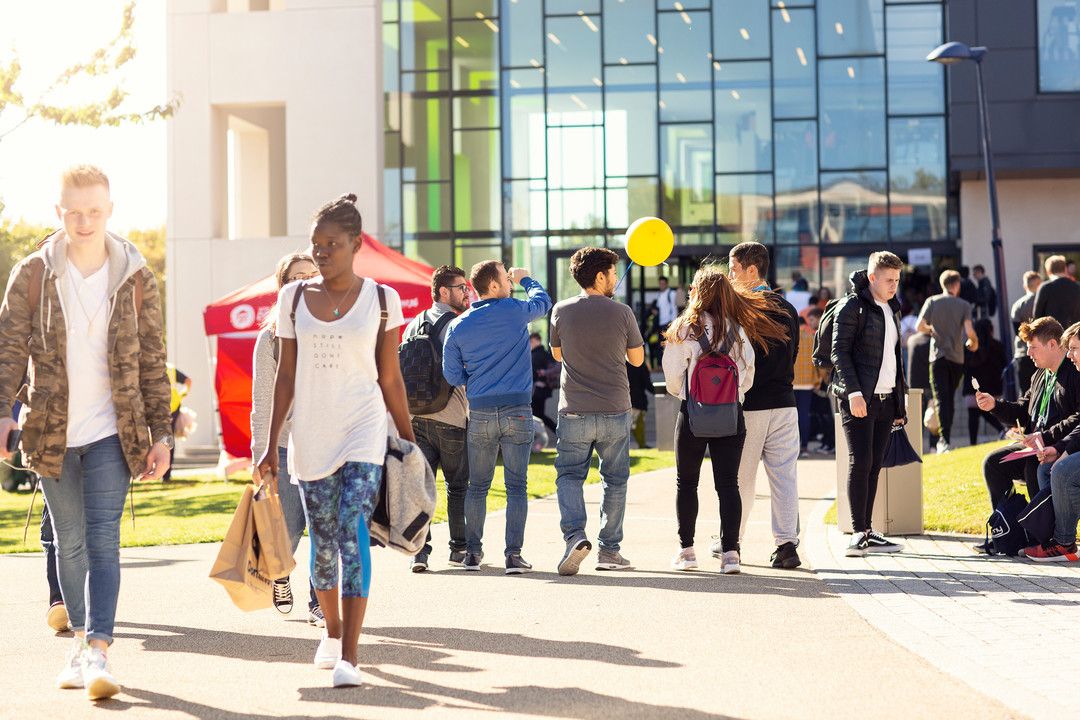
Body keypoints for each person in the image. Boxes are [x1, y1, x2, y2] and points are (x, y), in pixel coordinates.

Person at [0, 165, 172, 700]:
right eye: (73, 211)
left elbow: (152, 360)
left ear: (110, 210)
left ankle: (98, 648)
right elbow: (8, 351)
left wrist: (161, 434)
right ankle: (79, 641)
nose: (83, 220)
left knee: (102, 539)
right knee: (68, 542)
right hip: (49, 432)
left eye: (94, 211)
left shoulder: (138, 278)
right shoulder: (33, 273)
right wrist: (3, 411)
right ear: (59, 212)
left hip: (112, 433)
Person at [255, 193, 414, 688]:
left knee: (352, 529)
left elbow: (390, 377)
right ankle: (329, 632)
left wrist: (408, 441)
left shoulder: (383, 300)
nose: (322, 253)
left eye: (332, 244)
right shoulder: (293, 299)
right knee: (324, 543)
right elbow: (285, 377)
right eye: (315, 244)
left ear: (355, 244)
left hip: (363, 429)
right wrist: (268, 446)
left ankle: (350, 653)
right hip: (311, 434)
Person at [662, 264, 788, 573]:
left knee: (686, 482)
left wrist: (690, 396)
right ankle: (731, 554)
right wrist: (730, 397)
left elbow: (672, 377)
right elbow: (748, 376)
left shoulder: (684, 328)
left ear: (699, 292)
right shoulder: (739, 331)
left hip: (693, 414)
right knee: (728, 484)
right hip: (731, 415)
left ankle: (687, 552)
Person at [442, 260, 552, 574]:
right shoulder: (515, 310)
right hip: (517, 410)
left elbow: (451, 374)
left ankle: (473, 554)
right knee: (516, 486)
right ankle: (513, 556)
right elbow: (543, 303)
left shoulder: (459, 324)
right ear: (493, 285)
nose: (510, 282)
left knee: (478, 486)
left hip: (479, 411)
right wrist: (528, 278)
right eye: (506, 278)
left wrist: (474, 379)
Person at [549, 248, 644, 576]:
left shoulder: (560, 310)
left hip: (573, 410)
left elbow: (557, 355)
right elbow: (637, 360)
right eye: (613, 274)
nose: (616, 279)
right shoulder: (623, 313)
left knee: (570, 476)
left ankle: (575, 536)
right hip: (615, 409)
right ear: (600, 277)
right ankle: (609, 550)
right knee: (615, 480)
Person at [249, 252, 324, 624]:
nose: (307, 280)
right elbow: (261, 401)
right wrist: (259, 456)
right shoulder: (271, 337)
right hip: (285, 445)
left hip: (327, 443)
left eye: (313, 274)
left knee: (324, 527)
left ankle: (319, 601)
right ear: (284, 286)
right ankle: (280, 573)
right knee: (291, 526)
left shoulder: (333, 326)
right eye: (298, 276)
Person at [726, 242, 802, 570]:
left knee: (741, 478)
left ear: (751, 270)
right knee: (784, 477)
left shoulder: (741, 309)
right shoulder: (788, 309)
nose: (730, 277)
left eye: (733, 270)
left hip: (751, 405)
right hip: (786, 403)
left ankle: (733, 542)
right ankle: (787, 545)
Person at [832, 252, 908, 557]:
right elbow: (840, 353)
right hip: (859, 398)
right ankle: (858, 531)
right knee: (860, 462)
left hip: (887, 399)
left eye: (898, 280)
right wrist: (853, 393)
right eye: (889, 280)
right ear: (873, 277)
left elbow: (894, 360)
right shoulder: (852, 307)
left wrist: (899, 407)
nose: (894, 286)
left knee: (874, 465)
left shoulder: (892, 309)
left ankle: (867, 530)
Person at [973, 317, 1080, 529]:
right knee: (992, 463)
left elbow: (1078, 417)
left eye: (1032, 347)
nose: (1028, 353)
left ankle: (1040, 532)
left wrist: (1046, 437)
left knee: (1034, 466)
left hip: (1056, 445)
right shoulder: (1040, 375)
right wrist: (994, 405)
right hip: (1035, 444)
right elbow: (1022, 410)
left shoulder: (1074, 373)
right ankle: (1008, 528)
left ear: (1052, 344)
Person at [403, 265, 471, 573]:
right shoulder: (458, 324)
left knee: (422, 487)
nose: (466, 292)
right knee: (457, 485)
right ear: (444, 291)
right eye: (461, 288)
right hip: (451, 416)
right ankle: (458, 549)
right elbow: (466, 370)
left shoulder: (413, 323)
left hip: (416, 415)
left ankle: (420, 552)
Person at [1026, 322, 1080, 561]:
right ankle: (1049, 539)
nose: (1070, 355)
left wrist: (1063, 452)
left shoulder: (1072, 377)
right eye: (1070, 349)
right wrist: (1060, 449)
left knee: (1061, 471)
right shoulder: (1041, 375)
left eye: (1075, 349)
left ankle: (1064, 542)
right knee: (1048, 467)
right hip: (1069, 444)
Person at [917, 270, 978, 453]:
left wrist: (932, 331)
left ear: (943, 284)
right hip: (957, 358)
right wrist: (973, 344)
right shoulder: (964, 305)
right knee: (949, 398)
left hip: (937, 356)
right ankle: (945, 439)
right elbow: (970, 332)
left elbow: (919, 326)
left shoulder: (932, 301)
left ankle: (944, 440)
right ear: (957, 285)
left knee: (940, 398)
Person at [963, 318, 1007, 446]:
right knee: (988, 411)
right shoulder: (997, 345)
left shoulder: (970, 346)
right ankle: (1002, 430)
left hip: (972, 389)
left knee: (973, 415)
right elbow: (1003, 364)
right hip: (994, 388)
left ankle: (973, 442)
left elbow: (964, 365)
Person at [1012, 271, 1043, 394]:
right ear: (1040, 284)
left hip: (1023, 352)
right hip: (1043, 352)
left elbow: (1016, 330)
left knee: (1025, 391)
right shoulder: (1044, 302)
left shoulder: (1018, 305)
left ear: (1025, 286)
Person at [793, 313, 820, 457]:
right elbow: (817, 361)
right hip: (808, 382)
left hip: (791, 382)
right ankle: (804, 446)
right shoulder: (812, 338)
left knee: (792, 417)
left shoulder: (791, 338)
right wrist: (819, 379)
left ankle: (794, 446)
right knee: (804, 415)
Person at [161, 364, 190, 482]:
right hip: (173, 407)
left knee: (163, 439)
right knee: (168, 439)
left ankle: (163, 473)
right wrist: (182, 395)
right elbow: (188, 381)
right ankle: (166, 474)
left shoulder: (150, 365)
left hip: (161, 407)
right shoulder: (171, 368)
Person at [1034, 255, 1080, 330]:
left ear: (1048, 271)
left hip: (1050, 335)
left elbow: (1037, 316)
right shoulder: (1077, 287)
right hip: (1073, 335)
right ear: (1065, 269)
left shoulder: (1045, 287)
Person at [529, 333, 558, 435]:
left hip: (538, 390)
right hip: (542, 390)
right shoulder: (545, 354)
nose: (530, 344)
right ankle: (557, 432)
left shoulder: (537, 355)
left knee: (536, 415)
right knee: (538, 414)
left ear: (538, 340)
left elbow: (533, 373)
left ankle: (557, 432)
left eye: (531, 341)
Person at [627, 359, 653, 449]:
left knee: (630, 425)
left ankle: (640, 444)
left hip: (624, 399)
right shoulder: (640, 364)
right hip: (638, 400)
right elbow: (647, 382)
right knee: (638, 424)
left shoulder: (621, 363)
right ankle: (642, 444)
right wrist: (657, 391)